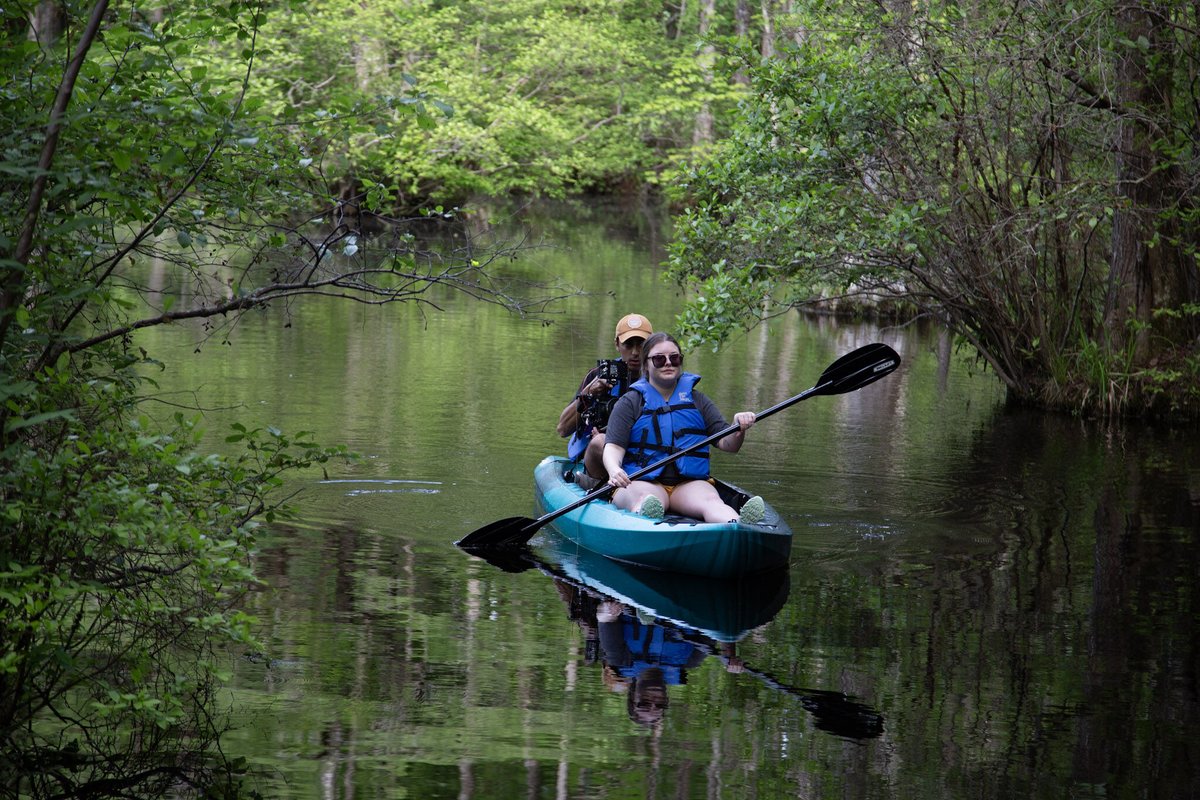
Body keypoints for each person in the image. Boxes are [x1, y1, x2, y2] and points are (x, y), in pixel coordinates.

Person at [602, 331, 765, 524]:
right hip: (641, 483)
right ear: (646, 364)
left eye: (674, 358)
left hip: (687, 485)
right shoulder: (630, 402)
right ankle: (645, 519)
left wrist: (739, 428)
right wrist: (614, 470)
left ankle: (738, 525)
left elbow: (728, 444)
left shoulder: (698, 401)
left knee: (712, 501)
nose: (668, 363)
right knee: (647, 501)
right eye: (659, 359)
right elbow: (613, 448)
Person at [556, 313, 654, 487]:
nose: (635, 352)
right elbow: (563, 429)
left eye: (641, 344)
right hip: (600, 457)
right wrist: (589, 392)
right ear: (617, 344)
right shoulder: (598, 375)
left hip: (643, 455)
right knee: (599, 443)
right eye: (628, 344)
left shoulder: (660, 380)